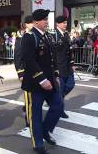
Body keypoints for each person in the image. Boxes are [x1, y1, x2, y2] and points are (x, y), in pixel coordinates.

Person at [21, 9, 63, 154]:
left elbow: (53, 58)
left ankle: (46, 130)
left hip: (50, 81)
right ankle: (37, 143)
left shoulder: (48, 36)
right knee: (36, 114)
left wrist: (56, 74)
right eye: (44, 19)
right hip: (36, 83)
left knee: (58, 105)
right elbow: (29, 60)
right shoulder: (29, 36)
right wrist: (42, 79)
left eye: (47, 19)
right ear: (36, 22)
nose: (46, 21)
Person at [53, 15, 75, 119]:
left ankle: (58, 97)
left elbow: (69, 50)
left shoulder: (66, 34)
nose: (65, 25)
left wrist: (72, 63)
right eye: (63, 23)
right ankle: (60, 110)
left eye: (66, 23)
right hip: (59, 67)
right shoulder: (53, 35)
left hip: (67, 66)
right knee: (60, 88)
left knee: (71, 84)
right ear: (58, 24)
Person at [14, 15, 33, 127]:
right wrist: (20, 72)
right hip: (26, 71)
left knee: (35, 97)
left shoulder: (36, 35)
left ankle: (28, 109)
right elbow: (18, 57)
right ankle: (29, 120)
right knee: (29, 96)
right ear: (26, 24)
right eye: (30, 23)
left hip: (37, 72)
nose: (32, 25)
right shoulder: (21, 38)